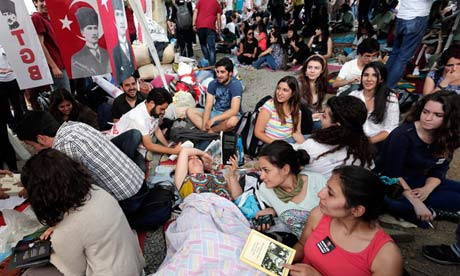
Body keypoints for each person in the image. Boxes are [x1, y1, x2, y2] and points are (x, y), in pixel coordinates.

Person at [16, 111, 155, 230]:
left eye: (31, 145)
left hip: (128, 200)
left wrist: (34, 189)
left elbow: (68, 194)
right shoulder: (73, 126)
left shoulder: (63, 148)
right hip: (138, 181)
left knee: (74, 221)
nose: (34, 151)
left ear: (41, 138)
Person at [20, 149, 145, 276]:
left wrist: (53, 252)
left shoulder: (65, 232)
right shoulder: (97, 191)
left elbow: (77, 271)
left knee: (30, 273)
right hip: (133, 266)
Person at [286, 166, 403, 276]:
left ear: (356, 210)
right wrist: (281, 256)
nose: (320, 194)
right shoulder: (318, 215)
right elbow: (302, 245)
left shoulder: (386, 256)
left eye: (330, 193)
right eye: (326, 186)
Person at [376, 91, 460, 227]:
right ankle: (428, 212)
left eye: (438, 115)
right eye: (425, 112)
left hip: (420, 181)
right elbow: (392, 174)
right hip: (393, 184)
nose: (428, 118)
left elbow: (440, 168)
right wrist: (417, 202)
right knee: (391, 202)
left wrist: (427, 189)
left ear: (450, 118)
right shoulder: (402, 135)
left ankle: (431, 212)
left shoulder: (449, 137)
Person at [255, 140, 327, 240]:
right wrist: (272, 210)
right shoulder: (265, 190)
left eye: (266, 170)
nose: (262, 176)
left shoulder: (318, 182)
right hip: (303, 246)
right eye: (261, 170)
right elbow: (281, 207)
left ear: (285, 169)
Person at [293, 96, 375, 179]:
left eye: (324, 116)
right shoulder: (364, 150)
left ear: (336, 126)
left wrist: (302, 142)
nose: (320, 117)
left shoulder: (312, 146)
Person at [110, 88, 181, 163]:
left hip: (135, 145)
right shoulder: (138, 117)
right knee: (135, 134)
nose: (163, 112)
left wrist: (167, 145)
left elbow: (156, 129)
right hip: (117, 146)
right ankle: (124, 162)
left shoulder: (152, 110)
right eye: (161, 109)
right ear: (151, 103)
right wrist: (174, 151)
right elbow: (149, 145)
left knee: (142, 169)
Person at [385, 0, 434, 89]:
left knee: (395, 53)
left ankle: (383, 81)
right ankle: (389, 86)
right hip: (416, 17)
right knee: (402, 58)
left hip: (402, 17)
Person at [186, 57, 242, 133]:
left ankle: (212, 131)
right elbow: (208, 106)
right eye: (217, 72)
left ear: (230, 73)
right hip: (216, 112)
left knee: (233, 122)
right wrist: (204, 125)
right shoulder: (213, 84)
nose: (219, 75)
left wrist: (214, 119)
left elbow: (234, 110)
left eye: (222, 72)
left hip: (228, 115)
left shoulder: (236, 85)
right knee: (190, 111)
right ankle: (207, 131)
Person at [349, 62, 399, 145]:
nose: (369, 79)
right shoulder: (354, 95)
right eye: (366, 75)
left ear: (381, 79)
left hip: (378, 142)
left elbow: (391, 128)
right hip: (355, 141)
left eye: (374, 75)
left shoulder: (390, 98)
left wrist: (367, 142)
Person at [31, 0, 71, 92]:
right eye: (41, 1)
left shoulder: (48, 18)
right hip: (56, 67)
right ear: (35, 3)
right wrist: (54, 67)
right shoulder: (36, 17)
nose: (45, 4)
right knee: (63, 98)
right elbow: (40, 44)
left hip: (61, 64)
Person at [174, 147, 242, 200]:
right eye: (190, 159)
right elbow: (185, 151)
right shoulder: (183, 180)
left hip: (224, 209)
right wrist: (204, 154)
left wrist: (232, 175)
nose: (194, 159)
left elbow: (237, 196)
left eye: (198, 158)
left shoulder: (220, 176)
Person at [255, 76, 304, 144]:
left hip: (289, 142)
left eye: (285, 90)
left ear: (293, 93)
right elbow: (258, 132)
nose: (279, 93)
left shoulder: (297, 111)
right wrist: (278, 145)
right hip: (271, 144)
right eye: (278, 88)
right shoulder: (269, 106)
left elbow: (296, 132)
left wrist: (304, 144)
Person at [71, 7, 111, 79]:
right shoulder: (76, 58)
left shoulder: (106, 53)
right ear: (82, 32)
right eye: (89, 28)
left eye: (95, 28)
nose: (94, 33)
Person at [298, 55, 328, 131]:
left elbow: (319, 107)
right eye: (309, 67)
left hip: (315, 116)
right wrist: (311, 116)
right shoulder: (299, 85)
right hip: (300, 120)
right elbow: (291, 109)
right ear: (305, 70)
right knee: (321, 126)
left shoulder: (321, 84)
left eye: (316, 68)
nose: (312, 71)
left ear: (322, 71)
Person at [112, 0, 135, 85]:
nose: (121, 20)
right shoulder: (115, 50)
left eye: (122, 15)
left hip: (132, 33)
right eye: (118, 15)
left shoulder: (128, 45)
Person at [193, 0, 222, 65]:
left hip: (200, 26)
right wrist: (219, 30)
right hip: (210, 27)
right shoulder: (216, 3)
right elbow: (218, 17)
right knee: (211, 47)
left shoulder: (200, 1)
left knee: (203, 44)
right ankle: (212, 65)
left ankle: (208, 60)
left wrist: (194, 24)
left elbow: (195, 12)